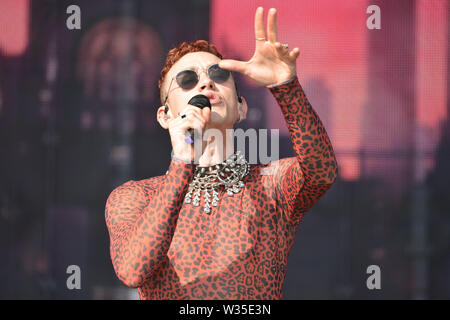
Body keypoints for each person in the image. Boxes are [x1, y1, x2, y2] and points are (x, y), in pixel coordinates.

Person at [105, 7, 338, 299]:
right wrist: (182, 161)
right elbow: (132, 269)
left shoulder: (271, 185)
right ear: (165, 116)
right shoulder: (135, 197)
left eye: (219, 73)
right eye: (188, 80)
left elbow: (322, 172)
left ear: (241, 107)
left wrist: (285, 86)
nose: (206, 82)